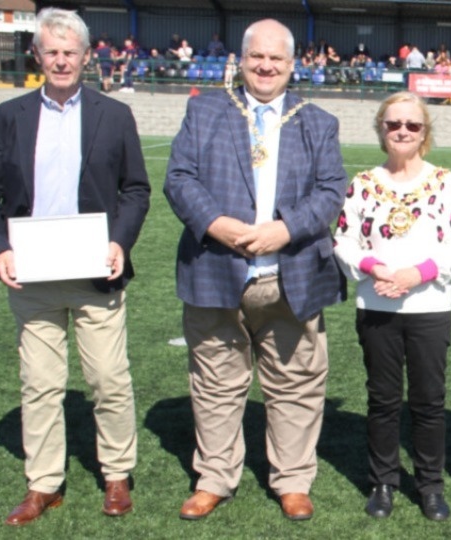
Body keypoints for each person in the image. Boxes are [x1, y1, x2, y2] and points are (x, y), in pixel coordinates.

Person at [0, 7, 150, 526]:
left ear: (87, 56)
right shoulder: (9, 117)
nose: (62, 60)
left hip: (97, 272)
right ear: (38, 55)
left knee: (108, 378)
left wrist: (120, 241)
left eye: (71, 51)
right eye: (52, 51)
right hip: (33, 274)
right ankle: (43, 484)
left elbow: (135, 190)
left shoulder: (114, 115)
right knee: (40, 383)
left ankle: (116, 474)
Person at [163, 19, 347, 522]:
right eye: (256, 57)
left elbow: (331, 190)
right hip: (215, 270)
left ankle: (291, 479)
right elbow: (178, 178)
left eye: (277, 59)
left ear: (293, 64)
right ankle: (215, 478)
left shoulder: (318, 121)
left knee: (296, 383)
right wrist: (217, 224)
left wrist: (283, 231)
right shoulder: (204, 110)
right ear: (241, 60)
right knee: (216, 382)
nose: (266, 66)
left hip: (291, 275)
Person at [333, 92, 451, 522]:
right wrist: (374, 266)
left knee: (429, 401)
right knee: (383, 400)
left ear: (424, 132)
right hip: (377, 306)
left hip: (429, 305)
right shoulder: (363, 182)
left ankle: (430, 486)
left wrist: (417, 274)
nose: (403, 132)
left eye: (412, 125)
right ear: (381, 129)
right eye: (394, 125)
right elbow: (343, 239)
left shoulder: (445, 181)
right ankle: (383, 482)